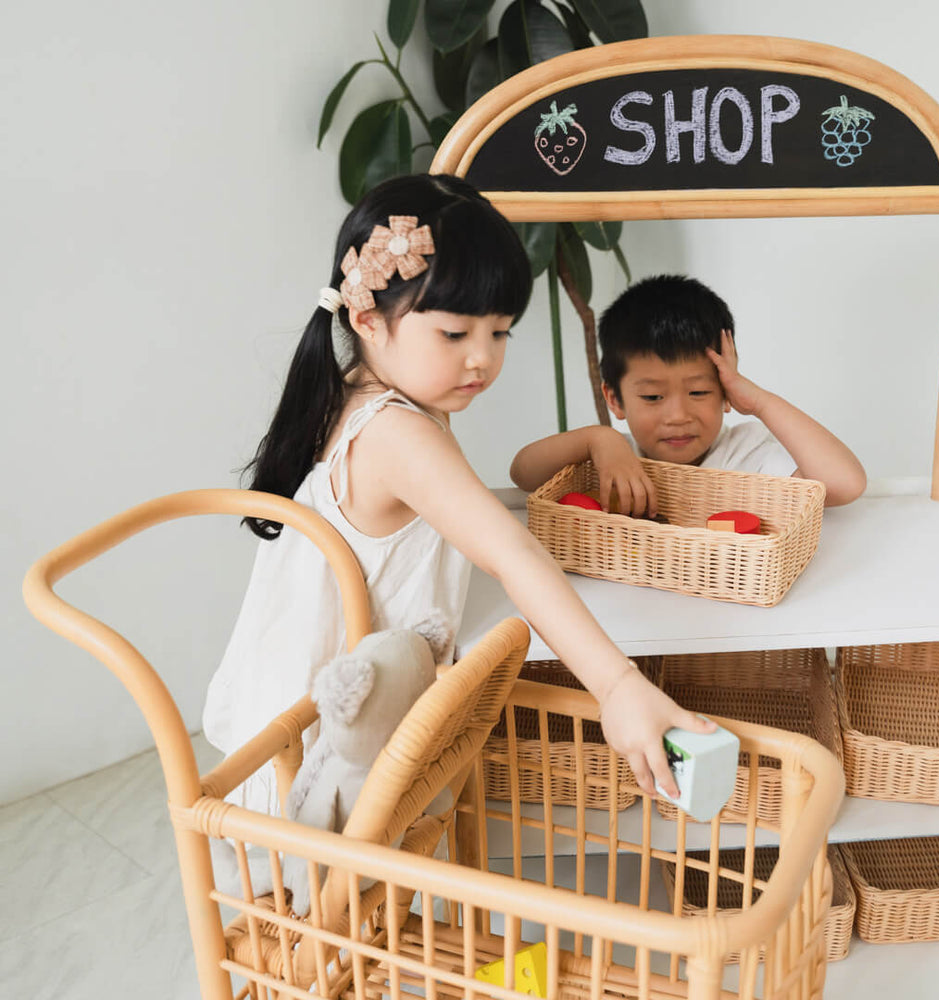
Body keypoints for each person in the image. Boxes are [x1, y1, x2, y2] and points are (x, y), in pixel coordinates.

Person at [202, 175, 713, 819]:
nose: (482, 359)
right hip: (324, 758)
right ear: (367, 318)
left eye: (499, 333)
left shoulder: (362, 391)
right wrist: (617, 686)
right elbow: (512, 551)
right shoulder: (397, 433)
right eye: (455, 335)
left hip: (331, 721)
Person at [510, 274, 866, 516]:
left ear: (726, 391)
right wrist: (596, 438)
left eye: (698, 391)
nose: (678, 415)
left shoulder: (747, 455)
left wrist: (758, 401)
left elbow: (844, 485)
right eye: (652, 397)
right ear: (615, 399)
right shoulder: (613, 457)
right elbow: (523, 473)